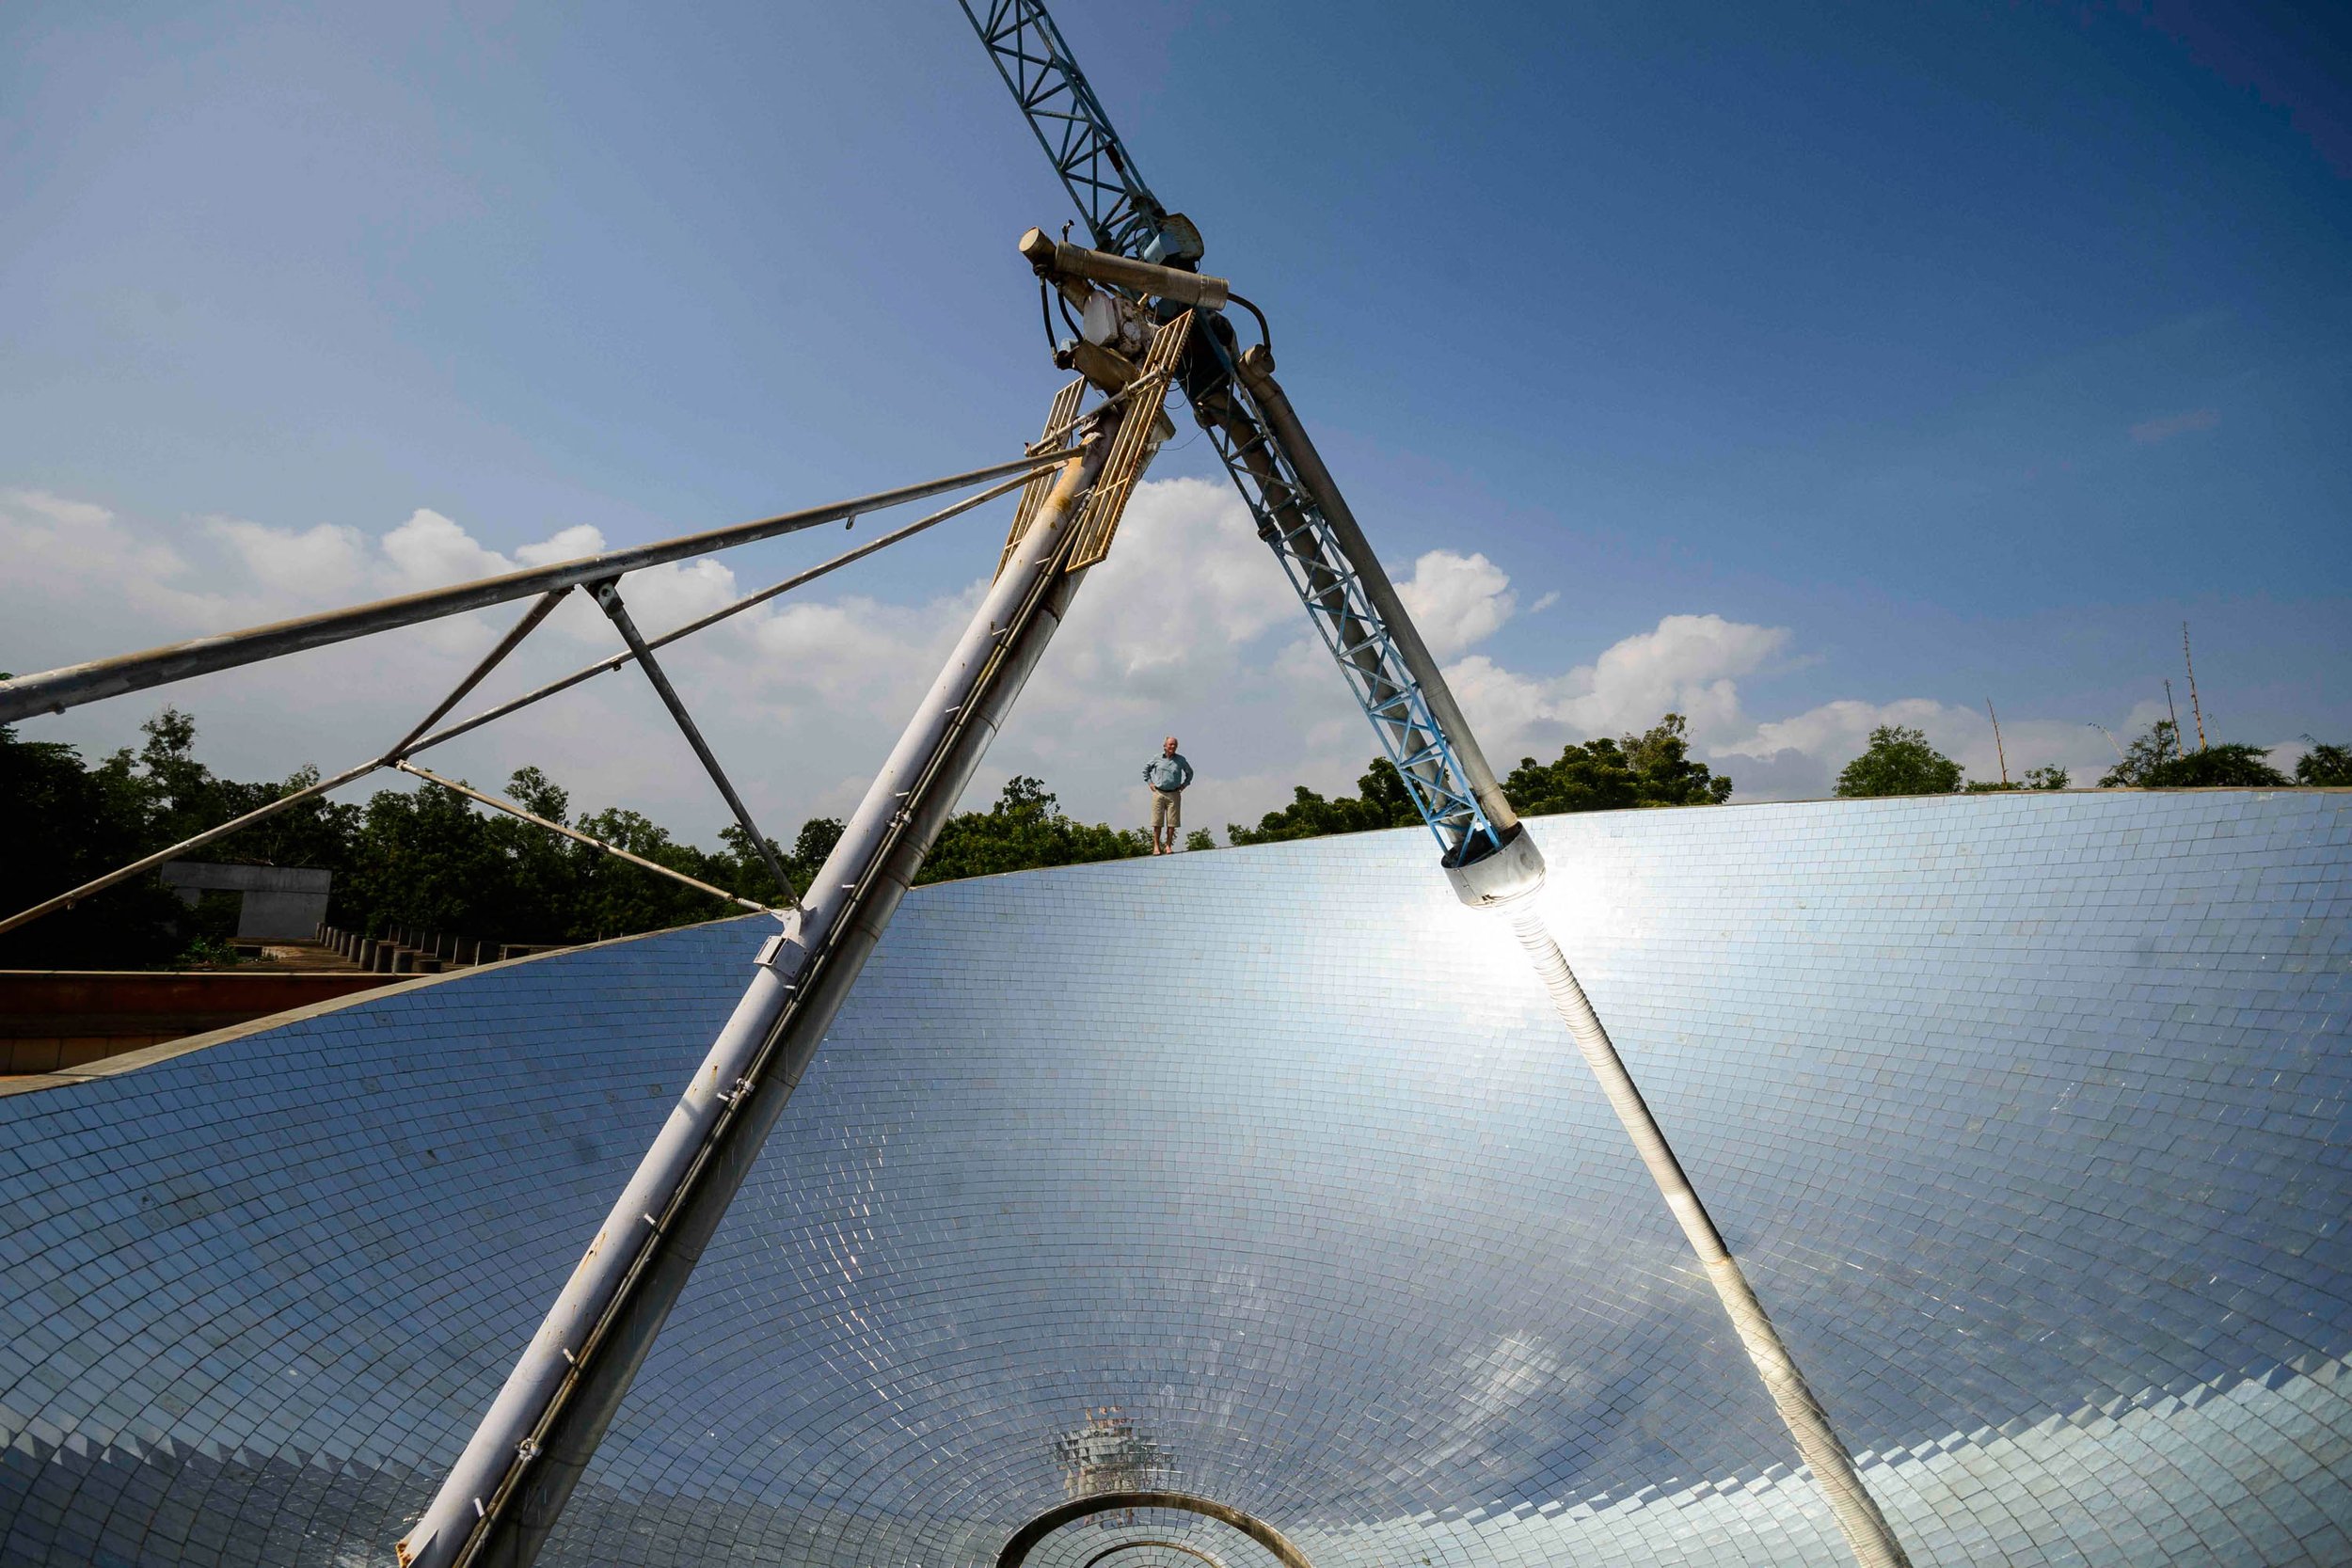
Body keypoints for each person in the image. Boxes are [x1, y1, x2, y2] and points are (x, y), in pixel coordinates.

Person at [1141, 736, 1194, 855]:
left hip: (1174, 793)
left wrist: (1184, 785)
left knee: (1172, 823)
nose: (1173, 747)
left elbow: (1190, 773)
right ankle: (1156, 846)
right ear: (1165, 746)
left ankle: (1168, 846)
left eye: (1175, 745)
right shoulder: (1157, 758)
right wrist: (1150, 783)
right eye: (1170, 744)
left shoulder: (1180, 760)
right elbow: (1145, 770)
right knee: (1157, 822)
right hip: (1159, 792)